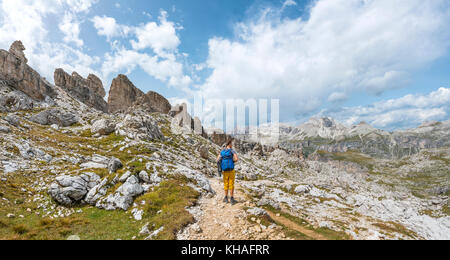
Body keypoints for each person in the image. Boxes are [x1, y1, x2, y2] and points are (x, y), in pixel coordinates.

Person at [217, 139, 239, 205]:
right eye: (231, 144)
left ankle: (226, 198)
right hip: (231, 170)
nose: (232, 145)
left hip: (225, 171)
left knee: (226, 183)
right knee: (231, 184)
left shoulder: (222, 151)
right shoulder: (232, 151)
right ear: (229, 144)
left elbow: (217, 160)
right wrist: (233, 161)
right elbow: (236, 159)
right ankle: (232, 199)